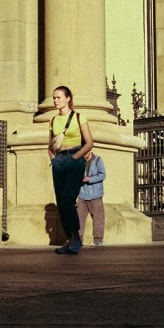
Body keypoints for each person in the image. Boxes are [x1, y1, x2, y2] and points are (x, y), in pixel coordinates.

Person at [47, 85, 94, 254]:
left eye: (58, 97)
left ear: (68, 98)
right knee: (61, 202)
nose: (55, 100)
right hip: (59, 161)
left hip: (74, 159)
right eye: (54, 98)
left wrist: (76, 157)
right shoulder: (52, 120)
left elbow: (89, 142)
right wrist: (54, 158)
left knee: (68, 198)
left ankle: (76, 238)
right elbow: (50, 144)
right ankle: (70, 239)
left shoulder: (79, 117)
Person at [77, 151, 107, 246]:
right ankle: (78, 239)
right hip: (82, 194)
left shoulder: (98, 160)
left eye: (85, 153)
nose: (84, 156)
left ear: (90, 151)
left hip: (95, 194)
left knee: (98, 218)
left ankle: (98, 240)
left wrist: (89, 179)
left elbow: (102, 175)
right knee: (79, 218)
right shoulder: (79, 161)